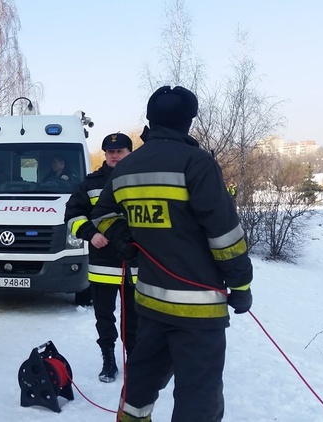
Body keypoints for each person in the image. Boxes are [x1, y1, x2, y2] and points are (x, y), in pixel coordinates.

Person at [91, 86, 253, 421]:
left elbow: (102, 214)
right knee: (198, 398)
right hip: (198, 311)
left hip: (150, 303)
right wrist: (241, 286)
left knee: (140, 385)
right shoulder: (197, 163)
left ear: (150, 120)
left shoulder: (125, 168)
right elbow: (224, 235)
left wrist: (123, 237)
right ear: (188, 122)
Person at [64, 133, 138, 383]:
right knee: (104, 317)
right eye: (110, 152)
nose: (114, 155)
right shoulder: (91, 182)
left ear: (130, 152)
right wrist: (91, 234)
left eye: (120, 151)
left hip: (137, 264)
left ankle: (135, 362)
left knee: (135, 319)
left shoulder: (142, 179)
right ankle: (108, 360)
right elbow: (73, 215)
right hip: (104, 263)